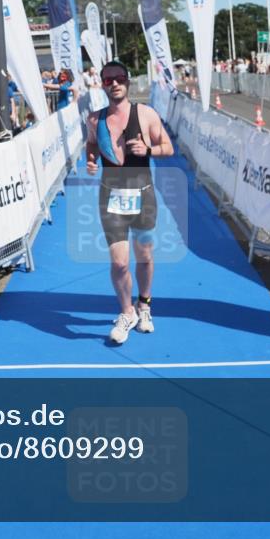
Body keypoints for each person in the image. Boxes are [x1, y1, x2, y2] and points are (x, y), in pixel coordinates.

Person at [85, 61, 174, 345]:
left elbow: (169, 148)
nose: (114, 83)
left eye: (119, 78)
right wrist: (90, 158)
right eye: (108, 79)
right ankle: (127, 312)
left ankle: (144, 305)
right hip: (110, 198)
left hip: (143, 196)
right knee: (119, 263)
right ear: (102, 84)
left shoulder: (146, 114)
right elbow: (91, 144)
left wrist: (148, 149)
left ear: (128, 82)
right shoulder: (94, 119)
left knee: (144, 255)